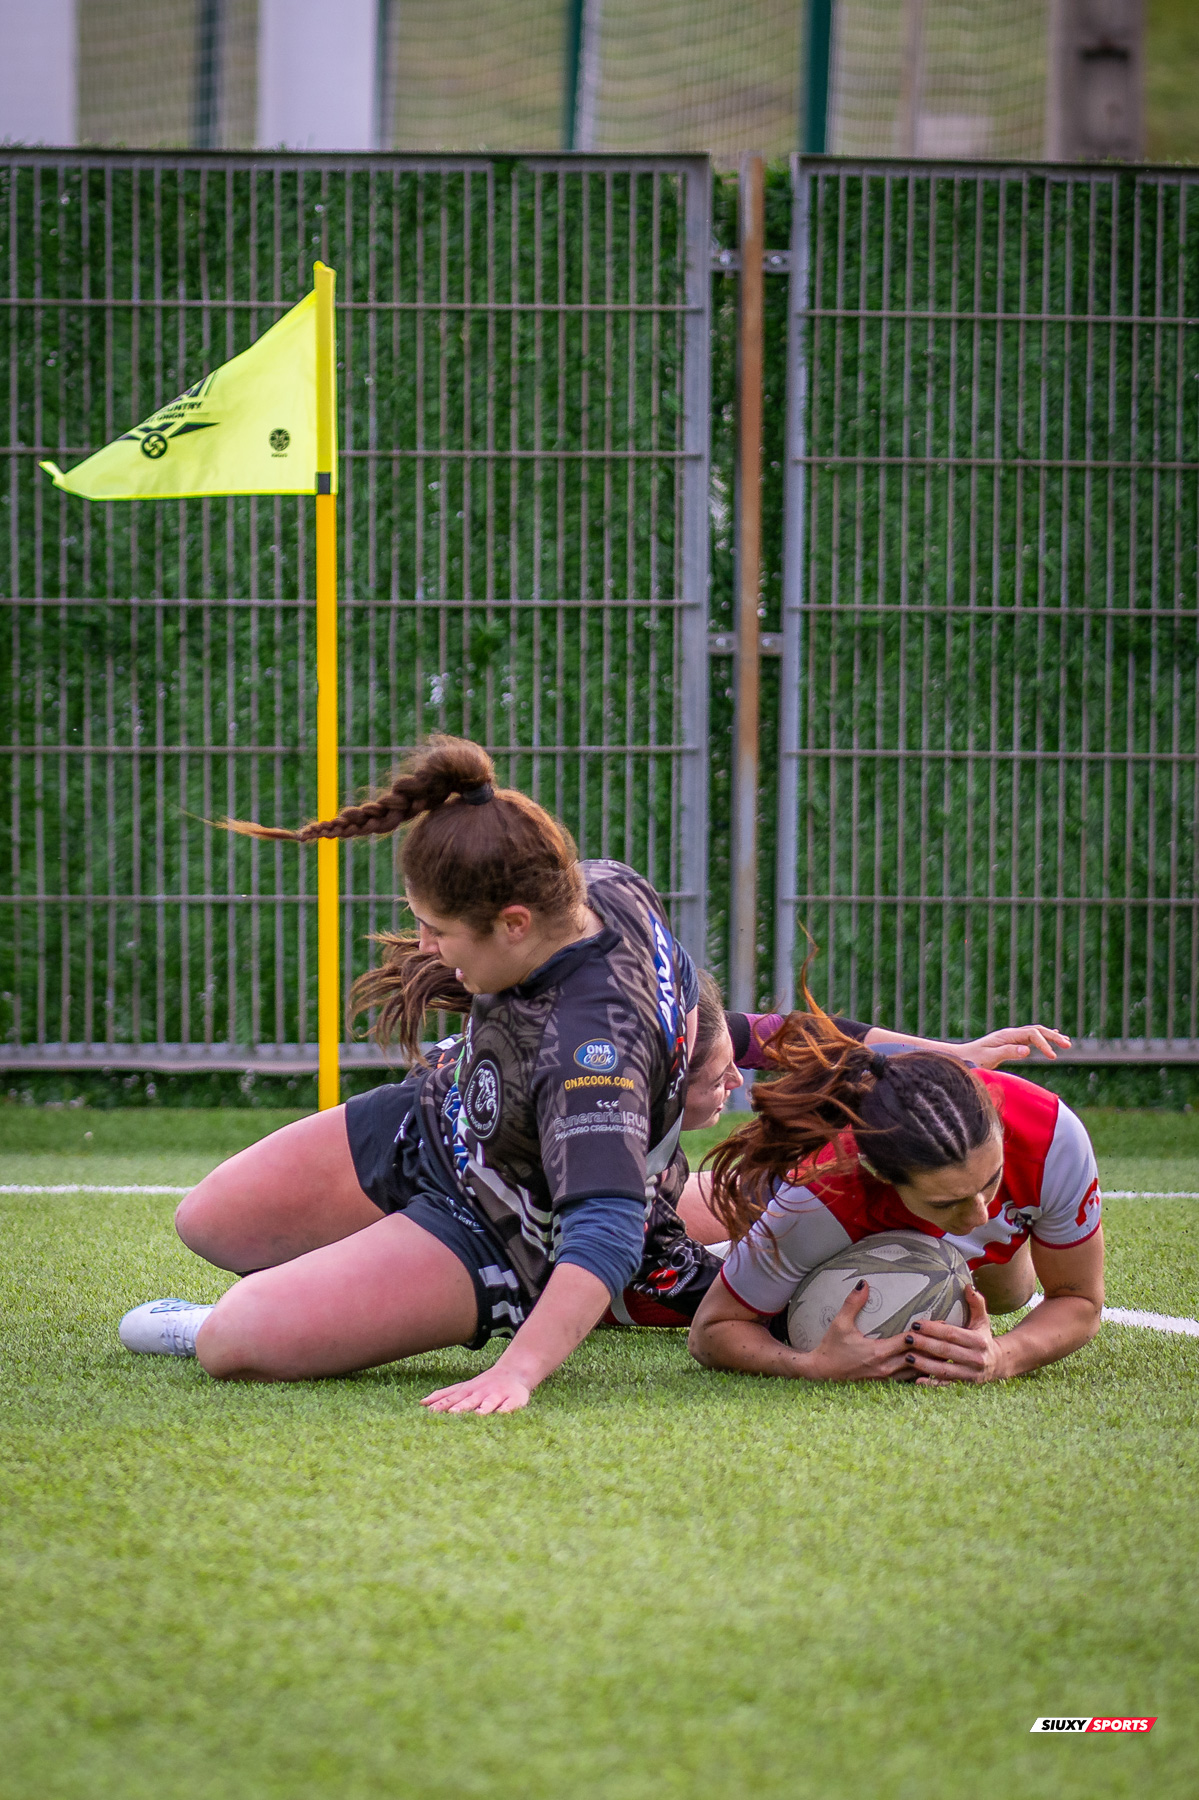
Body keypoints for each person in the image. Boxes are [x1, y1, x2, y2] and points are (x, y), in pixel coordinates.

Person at [119, 735, 708, 1414]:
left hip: (497, 1224)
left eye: (437, 929)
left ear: (514, 924)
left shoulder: (587, 1051)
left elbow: (605, 1224)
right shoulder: (606, 885)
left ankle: (589, 1281)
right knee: (209, 1222)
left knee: (235, 1339)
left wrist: (516, 1373)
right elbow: (684, 993)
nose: (423, 945)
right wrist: (729, 1047)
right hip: (434, 1121)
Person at [686, 1007, 1103, 1385]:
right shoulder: (820, 1198)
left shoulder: (1053, 1137)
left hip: (991, 1266)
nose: (979, 1214)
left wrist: (1002, 1357)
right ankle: (737, 1253)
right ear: (880, 1176)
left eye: (991, 1182)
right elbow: (710, 1331)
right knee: (648, 1278)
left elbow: (1079, 1299)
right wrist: (811, 1366)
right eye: (946, 1202)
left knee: (1011, 1294)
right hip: (795, 1208)